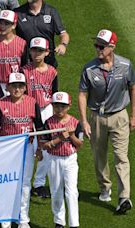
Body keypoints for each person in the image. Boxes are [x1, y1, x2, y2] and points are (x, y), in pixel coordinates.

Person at [79, 29, 135, 213]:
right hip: (97, 118)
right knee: (99, 155)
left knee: (121, 157)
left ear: (112, 47)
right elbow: (82, 94)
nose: (98, 48)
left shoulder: (126, 66)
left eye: (101, 46)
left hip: (120, 116)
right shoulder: (89, 68)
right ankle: (105, 188)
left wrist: (133, 115)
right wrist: (84, 121)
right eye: (96, 45)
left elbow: (133, 89)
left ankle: (124, 196)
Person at [0, 72, 42, 228]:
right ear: (8, 87)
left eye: (20, 86)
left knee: (25, 183)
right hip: (7, 150)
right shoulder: (0, 104)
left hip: (27, 147)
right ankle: (5, 218)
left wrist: (39, 149)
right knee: (6, 183)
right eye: (14, 86)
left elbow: (39, 127)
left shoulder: (33, 103)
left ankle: (23, 219)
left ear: (25, 87)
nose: (17, 89)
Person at [22, 37, 58, 198]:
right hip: (29, 110)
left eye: (40, 51)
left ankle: (39, 183)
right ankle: (25, 183)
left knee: (47, 146)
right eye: (34, 50)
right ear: (30, 51)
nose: (37, 53)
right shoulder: (24, 71)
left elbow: (55, 93)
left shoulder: (52, 71)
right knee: (28, 147)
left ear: (47, 53)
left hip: (47, 109)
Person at [41, 92, 83, 228]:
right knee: (56, 191)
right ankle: (59, 222)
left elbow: (80, 144)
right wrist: (60, 138)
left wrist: (71, 135)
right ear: (52, 106)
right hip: (54, 159)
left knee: (71, 192)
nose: (60, 109)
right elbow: (44, 145)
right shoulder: (48, 123)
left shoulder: (76, 123)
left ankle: (74, 224)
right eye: (57, 106)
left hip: (70, 159)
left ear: (69, 107)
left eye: (63, 106)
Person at [0, 10, 28, 96]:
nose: (2, 26)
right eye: (1, 23)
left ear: (14, 25)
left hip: (16, 85)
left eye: (6, 23)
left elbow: (25, 67)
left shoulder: (22, 43)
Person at [14, 0, 69, 68]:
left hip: (48, 63)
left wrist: (63, 45)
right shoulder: (17, 13)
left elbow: (63, 34)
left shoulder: (51, 11)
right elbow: (1, 28)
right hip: (25, 64)